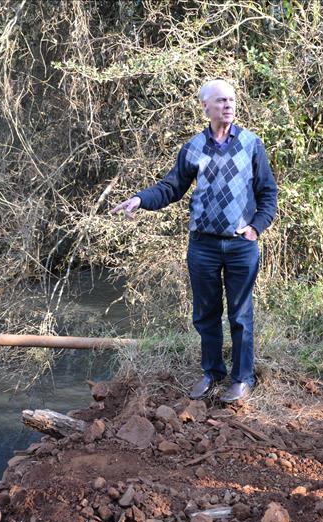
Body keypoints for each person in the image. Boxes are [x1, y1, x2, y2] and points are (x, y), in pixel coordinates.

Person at [111, 79, 278, 403]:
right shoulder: (193, 148)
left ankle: (243, 378)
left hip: (241, 244)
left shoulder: (251, 144)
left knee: (241, 314)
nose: (228, 105)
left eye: (231, 99)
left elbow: (268, 193)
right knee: (205, 313)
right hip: (203, 245)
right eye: (220, 101)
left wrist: (256, 227)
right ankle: (212, 372)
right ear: (205, 106)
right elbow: (171, 187)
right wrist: (139, 199)